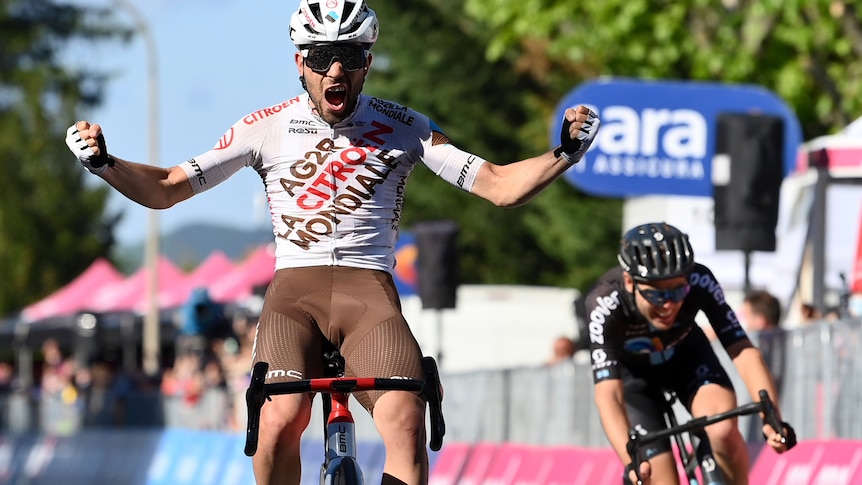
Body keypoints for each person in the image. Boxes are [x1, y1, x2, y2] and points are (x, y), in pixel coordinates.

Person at [63, 1, 600, 483]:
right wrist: (105, 163)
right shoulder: (264, 127)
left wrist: (566, 152)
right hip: (294, 295)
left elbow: (499, 186)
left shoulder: (405, 126)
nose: (336, 69)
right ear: (300, 63)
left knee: (408, 421)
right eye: (321, 57)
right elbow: (165, 190)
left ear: (367, 60)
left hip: (370, 295)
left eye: (349, 55)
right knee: (279, 420)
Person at [584, 222, 796, 485]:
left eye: (678, 291)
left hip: (687, 359)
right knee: (654, 474)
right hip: (635, 382)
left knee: (722, 430)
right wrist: (630, 462)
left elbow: (742, 350)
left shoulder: (700, 280)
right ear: (630, 281)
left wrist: (771, 417)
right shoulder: (604, 303)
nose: (669, 305)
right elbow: (608, 395)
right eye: (656, 295)